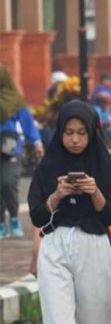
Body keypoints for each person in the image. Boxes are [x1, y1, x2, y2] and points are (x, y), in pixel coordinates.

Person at [27, 100, 111, 324]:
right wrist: (56, 195)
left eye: (82, 133)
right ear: (60, 133)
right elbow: (38, 215)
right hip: (55, 246)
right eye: (69, 132)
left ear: (92, 134)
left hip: (94, 244)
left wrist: (95, 192)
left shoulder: (106, 167)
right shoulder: (48, 167)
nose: (76, 139)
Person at [0, 64, 44, 238]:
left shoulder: (15, 101)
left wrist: (37, 143)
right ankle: (2, 222)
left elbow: (28, 123)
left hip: (10, 148)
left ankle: (14, 217)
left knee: (8, 183)